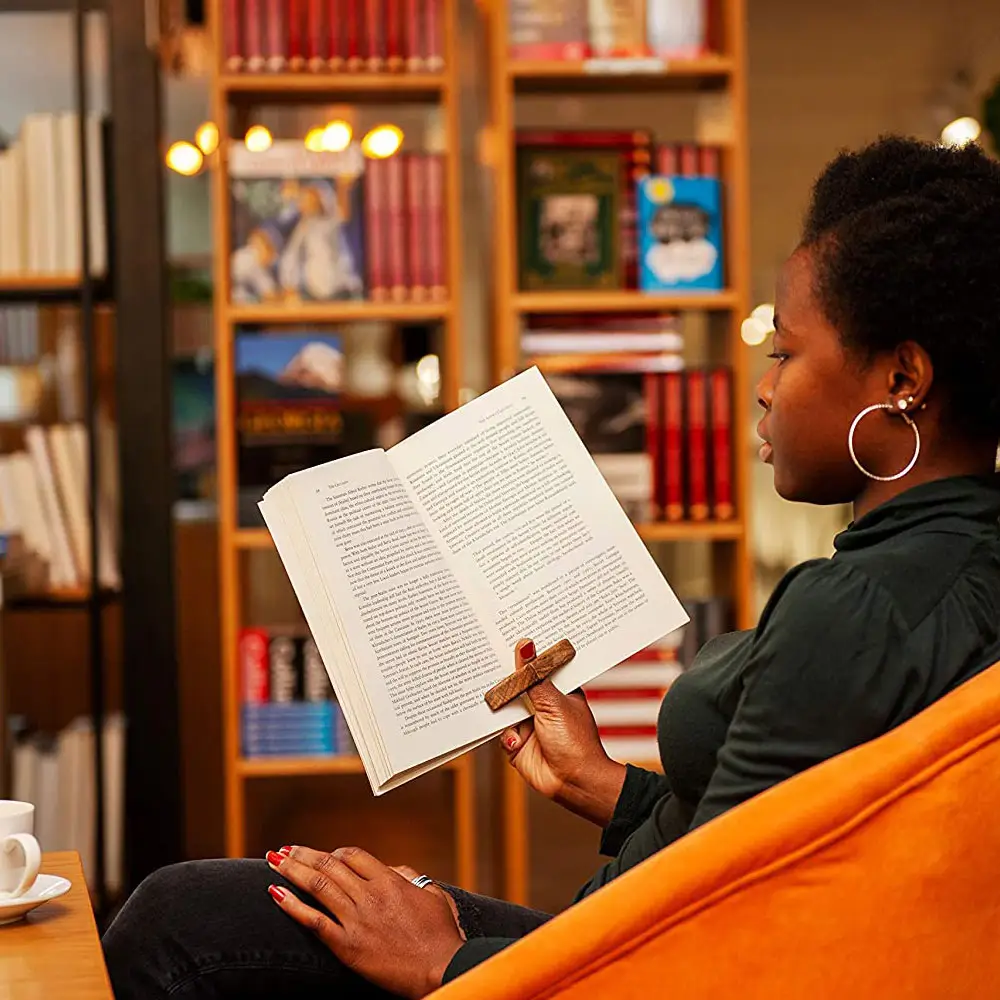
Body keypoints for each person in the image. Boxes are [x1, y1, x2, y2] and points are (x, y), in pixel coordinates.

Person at [103, 135, 1000, 998]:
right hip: (634, 937)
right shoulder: (959, 571)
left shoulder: (854, 614)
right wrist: (600, 785)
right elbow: (776, 840)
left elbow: (714, 932)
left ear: (904, 378)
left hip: (604, 970)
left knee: (179, 920)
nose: (764, 386)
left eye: (784, 353)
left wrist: (448, 967)